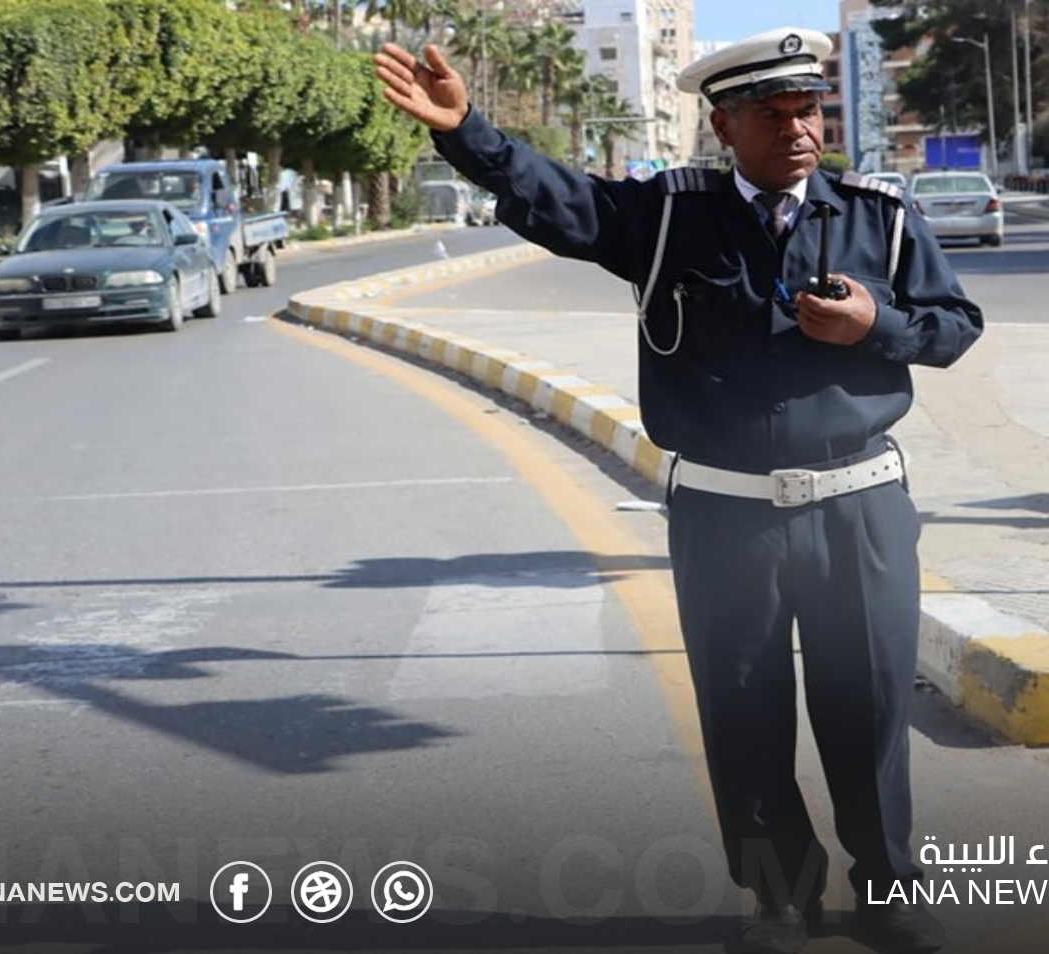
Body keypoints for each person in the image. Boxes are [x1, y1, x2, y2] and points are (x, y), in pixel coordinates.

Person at [375, 27, 982, 954]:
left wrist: (876, 324)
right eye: (772, 115)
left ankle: (890, 893)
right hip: (724, 511)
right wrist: (468, 134)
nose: (798, 130)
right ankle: (781, 900)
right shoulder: (664, 216)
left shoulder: (878, 215)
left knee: (865, 711)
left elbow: (952, 327)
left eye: (807, 110)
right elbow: (559, 200)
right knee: (742, 713)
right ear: (721, 125)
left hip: (858, 504)